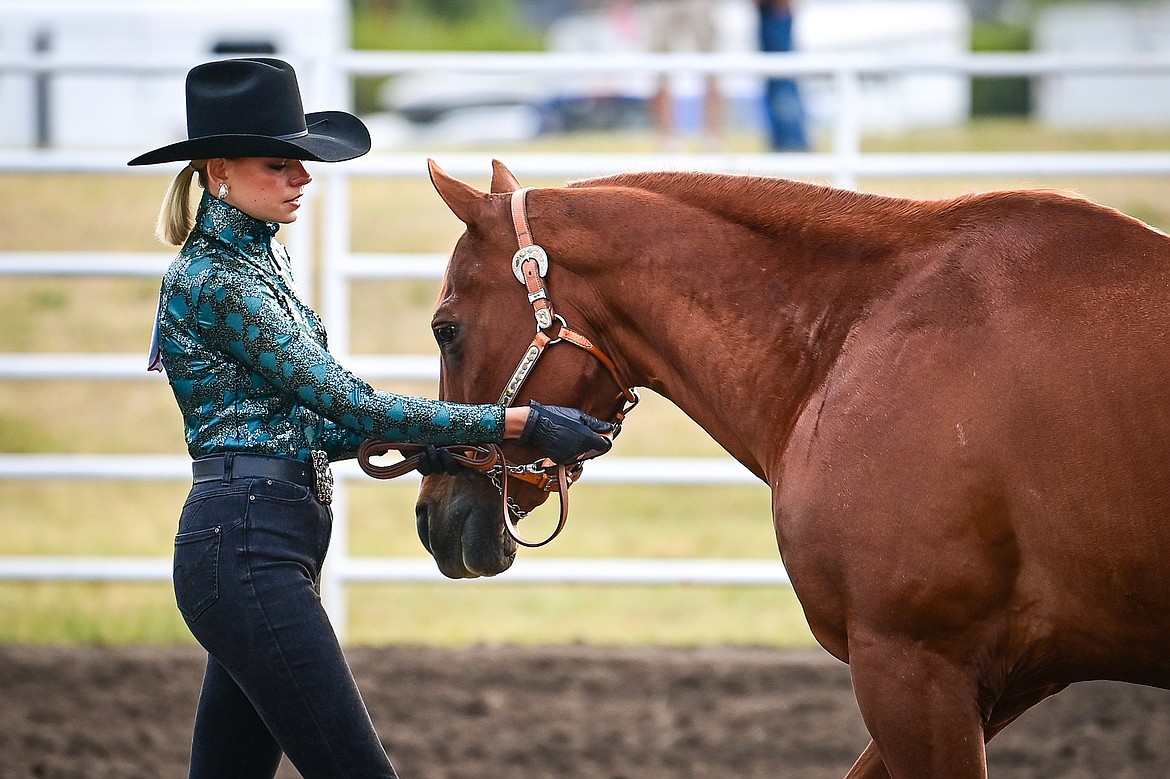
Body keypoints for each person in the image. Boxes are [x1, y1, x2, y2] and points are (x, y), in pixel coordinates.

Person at [129, 57, 614, 779]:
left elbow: (317, 430)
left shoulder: (264, 267)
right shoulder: (215, 281)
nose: (303, 178)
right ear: (219, 169)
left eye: (300, 163)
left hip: (259, 542)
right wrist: (516, 424)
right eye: (279, 164)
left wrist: (435, 448)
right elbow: (347, 403)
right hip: (247, 546)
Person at [641, 0, 723, 151]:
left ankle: (713, 138)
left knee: (712, 66)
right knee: (659, 70)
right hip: (658, 5)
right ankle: (666, 139)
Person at [757, 0, 809, 151]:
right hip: (770, 11)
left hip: (776, 11)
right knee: (778, 80)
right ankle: (786, 141)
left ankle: (791, 142)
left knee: (782, 80)